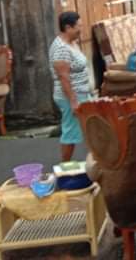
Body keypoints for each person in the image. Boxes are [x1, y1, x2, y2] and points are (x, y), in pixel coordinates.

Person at [49, 11, 92, 162]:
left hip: (82, 93)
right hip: (70, 96)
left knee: (87, 128)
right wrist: (74, 101)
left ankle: (94, 162)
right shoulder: (61, 48)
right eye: (78, 26)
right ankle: (64, 167)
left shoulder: (72, 42)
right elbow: (64, 77)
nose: (81, 29)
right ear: (68, 27)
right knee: (71, 132)